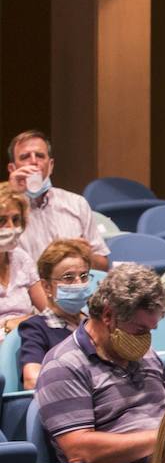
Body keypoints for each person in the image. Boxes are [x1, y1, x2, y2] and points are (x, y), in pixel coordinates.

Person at [35, 264, 165, 463]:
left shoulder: (147, 354)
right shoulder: (64, 365)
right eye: (140, 330)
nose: (146, 340)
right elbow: (80, 450)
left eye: (151, 330)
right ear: (108, 316)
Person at [6, 130, 110, 270]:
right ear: (12, 168)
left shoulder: (77, 204)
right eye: (25, 157)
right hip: (22, 289)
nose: (34, 161)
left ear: (51, 165)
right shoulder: (5, 209)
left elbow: (103, 265)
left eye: (40, 156)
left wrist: (85, 255)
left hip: (71, 286)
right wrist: (11, 195)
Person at [19, 239, 94, 389]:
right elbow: (32, 380)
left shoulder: (93, 323)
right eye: (68, 278)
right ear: (46, 286)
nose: (78, 283)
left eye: (84, 276)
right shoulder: (36, 327)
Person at [0, 183, 45, 334]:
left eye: (16, 219)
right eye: (2, 221)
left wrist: (20, 322)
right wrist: (7, 326)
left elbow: (48, 311)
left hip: (26, 338)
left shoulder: (21, 258)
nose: (10, 227)